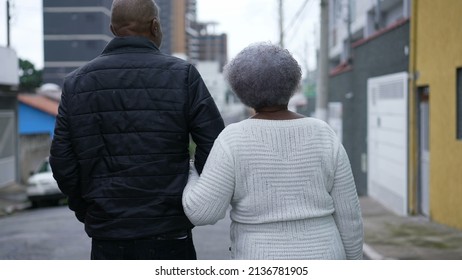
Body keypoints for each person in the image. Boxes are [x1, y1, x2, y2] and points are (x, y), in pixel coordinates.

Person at [50, 0, 224, 260]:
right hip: (170, 232)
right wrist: (191, 193)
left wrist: (87, 209)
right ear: (155, 26)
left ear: (112, 28)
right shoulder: (183, 75)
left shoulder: (77, 83)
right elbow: (216, 144)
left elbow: (62, 160)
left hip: (108, 235)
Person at [182, 42, 363, 260]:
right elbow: (349, 217)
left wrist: (190, 169)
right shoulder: (323, 133)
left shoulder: (233, 139)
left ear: (240, 90)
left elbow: (202, 211)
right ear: (294, 83)